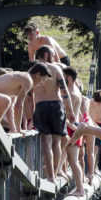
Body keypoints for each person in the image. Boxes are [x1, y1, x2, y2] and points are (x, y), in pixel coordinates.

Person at [31, 46, 75, 181]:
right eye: (52, 54)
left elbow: (28, 94)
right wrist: (71, 110)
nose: (54, 57)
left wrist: (28, 116)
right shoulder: (56, 69)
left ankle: (50, 176)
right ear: (46, 54)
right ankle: (55, 176)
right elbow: (64, 91)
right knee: (56, 143)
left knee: (46, 143)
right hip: (56, 106)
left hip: (41, 106)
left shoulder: (33, 70)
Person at [0, 66, 33, 132]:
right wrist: (17, 128)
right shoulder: (22, 81)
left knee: (7, 101)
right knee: (6, 100)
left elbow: (11, 109)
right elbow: (17, 106)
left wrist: (14, 129)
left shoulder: (13, 88)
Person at [61, 66, 86, 195]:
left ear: (69, 78)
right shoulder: (77, 90)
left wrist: (71, 127)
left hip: (71, 128)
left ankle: (80, 189)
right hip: (75, 126)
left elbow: (65, 115)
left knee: (73, 161)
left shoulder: (70, 93)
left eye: (63, 76)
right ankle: (79, 187)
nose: (61, 79)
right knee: (72, 160)